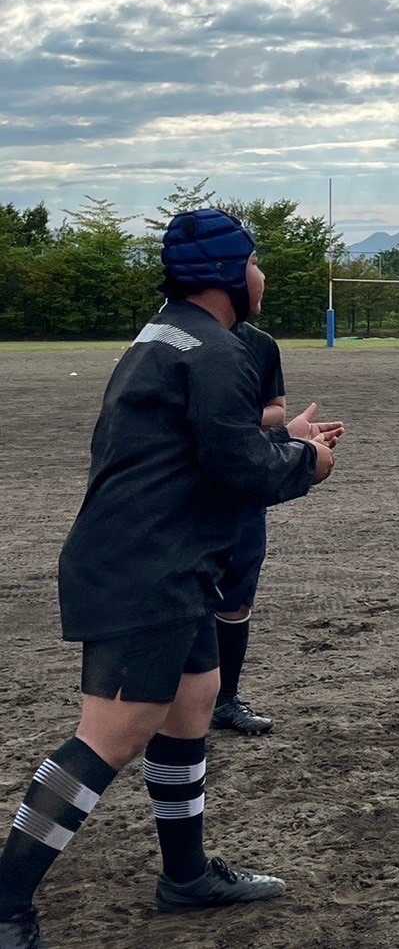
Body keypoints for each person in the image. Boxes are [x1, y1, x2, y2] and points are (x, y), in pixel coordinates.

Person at [0, 209, 342, 949]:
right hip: (144, 568)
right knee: (111, 736)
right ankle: (5, 906)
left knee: (193, 703)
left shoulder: (169, 333)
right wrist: (305, 462)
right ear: (227, 275)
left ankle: (185, 878)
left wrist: (282, 437)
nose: (260, 276)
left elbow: (200, 445)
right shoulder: (215, 351)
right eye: (253, 263)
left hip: (168, 561)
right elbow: (239, 470)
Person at [212, 322, 343, 737]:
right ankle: (169, 702)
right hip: (196, 483)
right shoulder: (181, 337)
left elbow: (276, 409)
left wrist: (283, 434)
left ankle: (224, 700)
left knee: (235, 597)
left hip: (245, 482)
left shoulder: (259, 343)